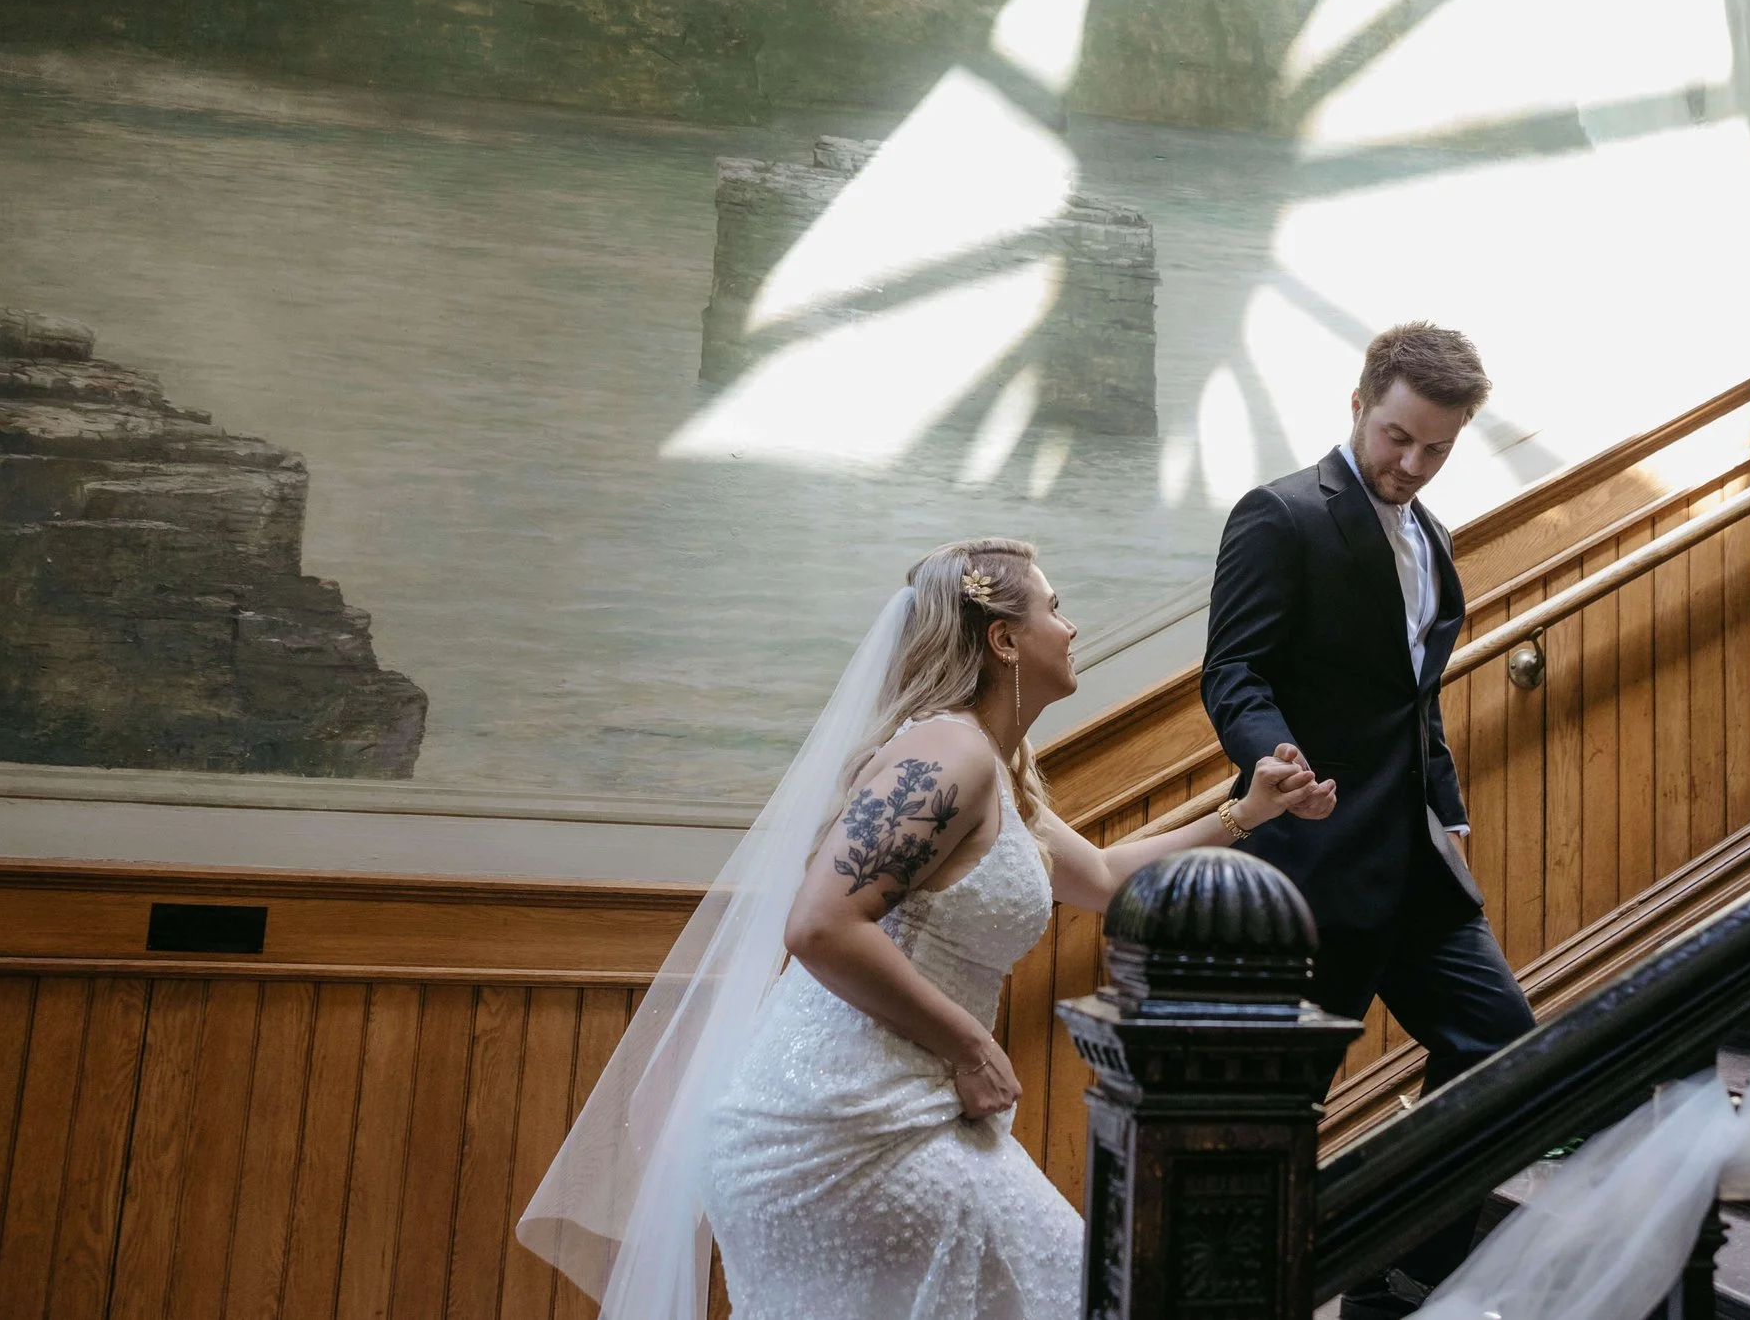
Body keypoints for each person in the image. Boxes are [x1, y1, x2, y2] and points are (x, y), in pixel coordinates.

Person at [518, 537, 1335, 1320]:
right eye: (1057, 606)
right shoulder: (949, 753)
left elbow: (1105, 878)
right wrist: (970, 1045)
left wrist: (1245, 812)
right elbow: (822, 923)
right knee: (1078, 1288)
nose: (1072, 624)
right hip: (834, 1127)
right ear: (1006, 639)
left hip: (883, 1117)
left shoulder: (988, 768)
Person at [1201, 323, 1537, 1318]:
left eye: (1436, 447)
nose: (1411, 463)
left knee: (1506, 1050)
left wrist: (1449, 806)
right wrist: (1272, 753)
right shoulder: (1281, 514)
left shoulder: (1430, 536)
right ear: (1358, 404)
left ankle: (1403, 1267)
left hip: (1418, 865)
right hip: (1309, 864)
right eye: (1398, 436)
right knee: (1270, 1112)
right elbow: (1234, 669)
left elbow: (1412, 696)